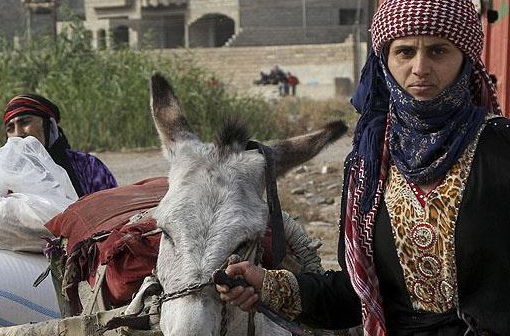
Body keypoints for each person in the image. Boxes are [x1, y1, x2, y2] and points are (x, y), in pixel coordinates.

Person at [216, 0, 509, 335]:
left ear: (466, 59)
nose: (420, 67)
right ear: (384, 60)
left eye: (438, 51)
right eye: (405, 52)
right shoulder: (368, 164)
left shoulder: (499, 149)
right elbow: (356, 295)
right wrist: (268, 284)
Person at [3, 93, 118, 198]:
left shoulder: (86, 165)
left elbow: (113, 209)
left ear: (49, 125)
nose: (18, 133)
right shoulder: (5, 178)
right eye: (10, 128)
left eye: (25, 122)